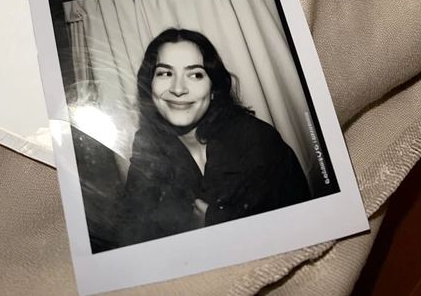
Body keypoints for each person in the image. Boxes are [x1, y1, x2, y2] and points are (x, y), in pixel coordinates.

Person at [120, 29, 310, 246]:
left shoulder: (258, 140)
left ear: (213, 90)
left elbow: (299, 229)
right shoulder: (148, 147)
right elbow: (134, 232)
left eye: (195, 75)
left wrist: (219, 222)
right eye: (165, 73)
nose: (178, 89)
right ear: (149, 86)